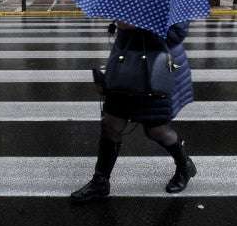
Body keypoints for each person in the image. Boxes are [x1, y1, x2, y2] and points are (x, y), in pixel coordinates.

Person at [70, 20, 197, 203]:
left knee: (156, 130)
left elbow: (177, 34)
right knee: (110, 124)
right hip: (126, 68)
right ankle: (100, 182)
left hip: (156, 70)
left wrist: (139, 24)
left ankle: (184, 165)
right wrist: (118, 25)